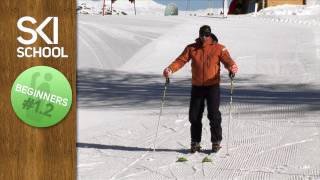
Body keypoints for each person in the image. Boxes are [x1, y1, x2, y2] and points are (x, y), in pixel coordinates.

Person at [163, 25, 238, 153]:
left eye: (207, 35)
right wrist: (170, 69)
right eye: (202, 35)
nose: (204, 37)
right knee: (194, 116)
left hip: (212, 86)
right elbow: (181, 60)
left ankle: (216, 141)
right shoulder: (192, 48)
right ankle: (195, 142)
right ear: (199, 35)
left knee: (213, 115)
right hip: (197, 86)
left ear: (210, 35)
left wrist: (232, 67)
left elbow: (228, 60)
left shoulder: (219, 48)